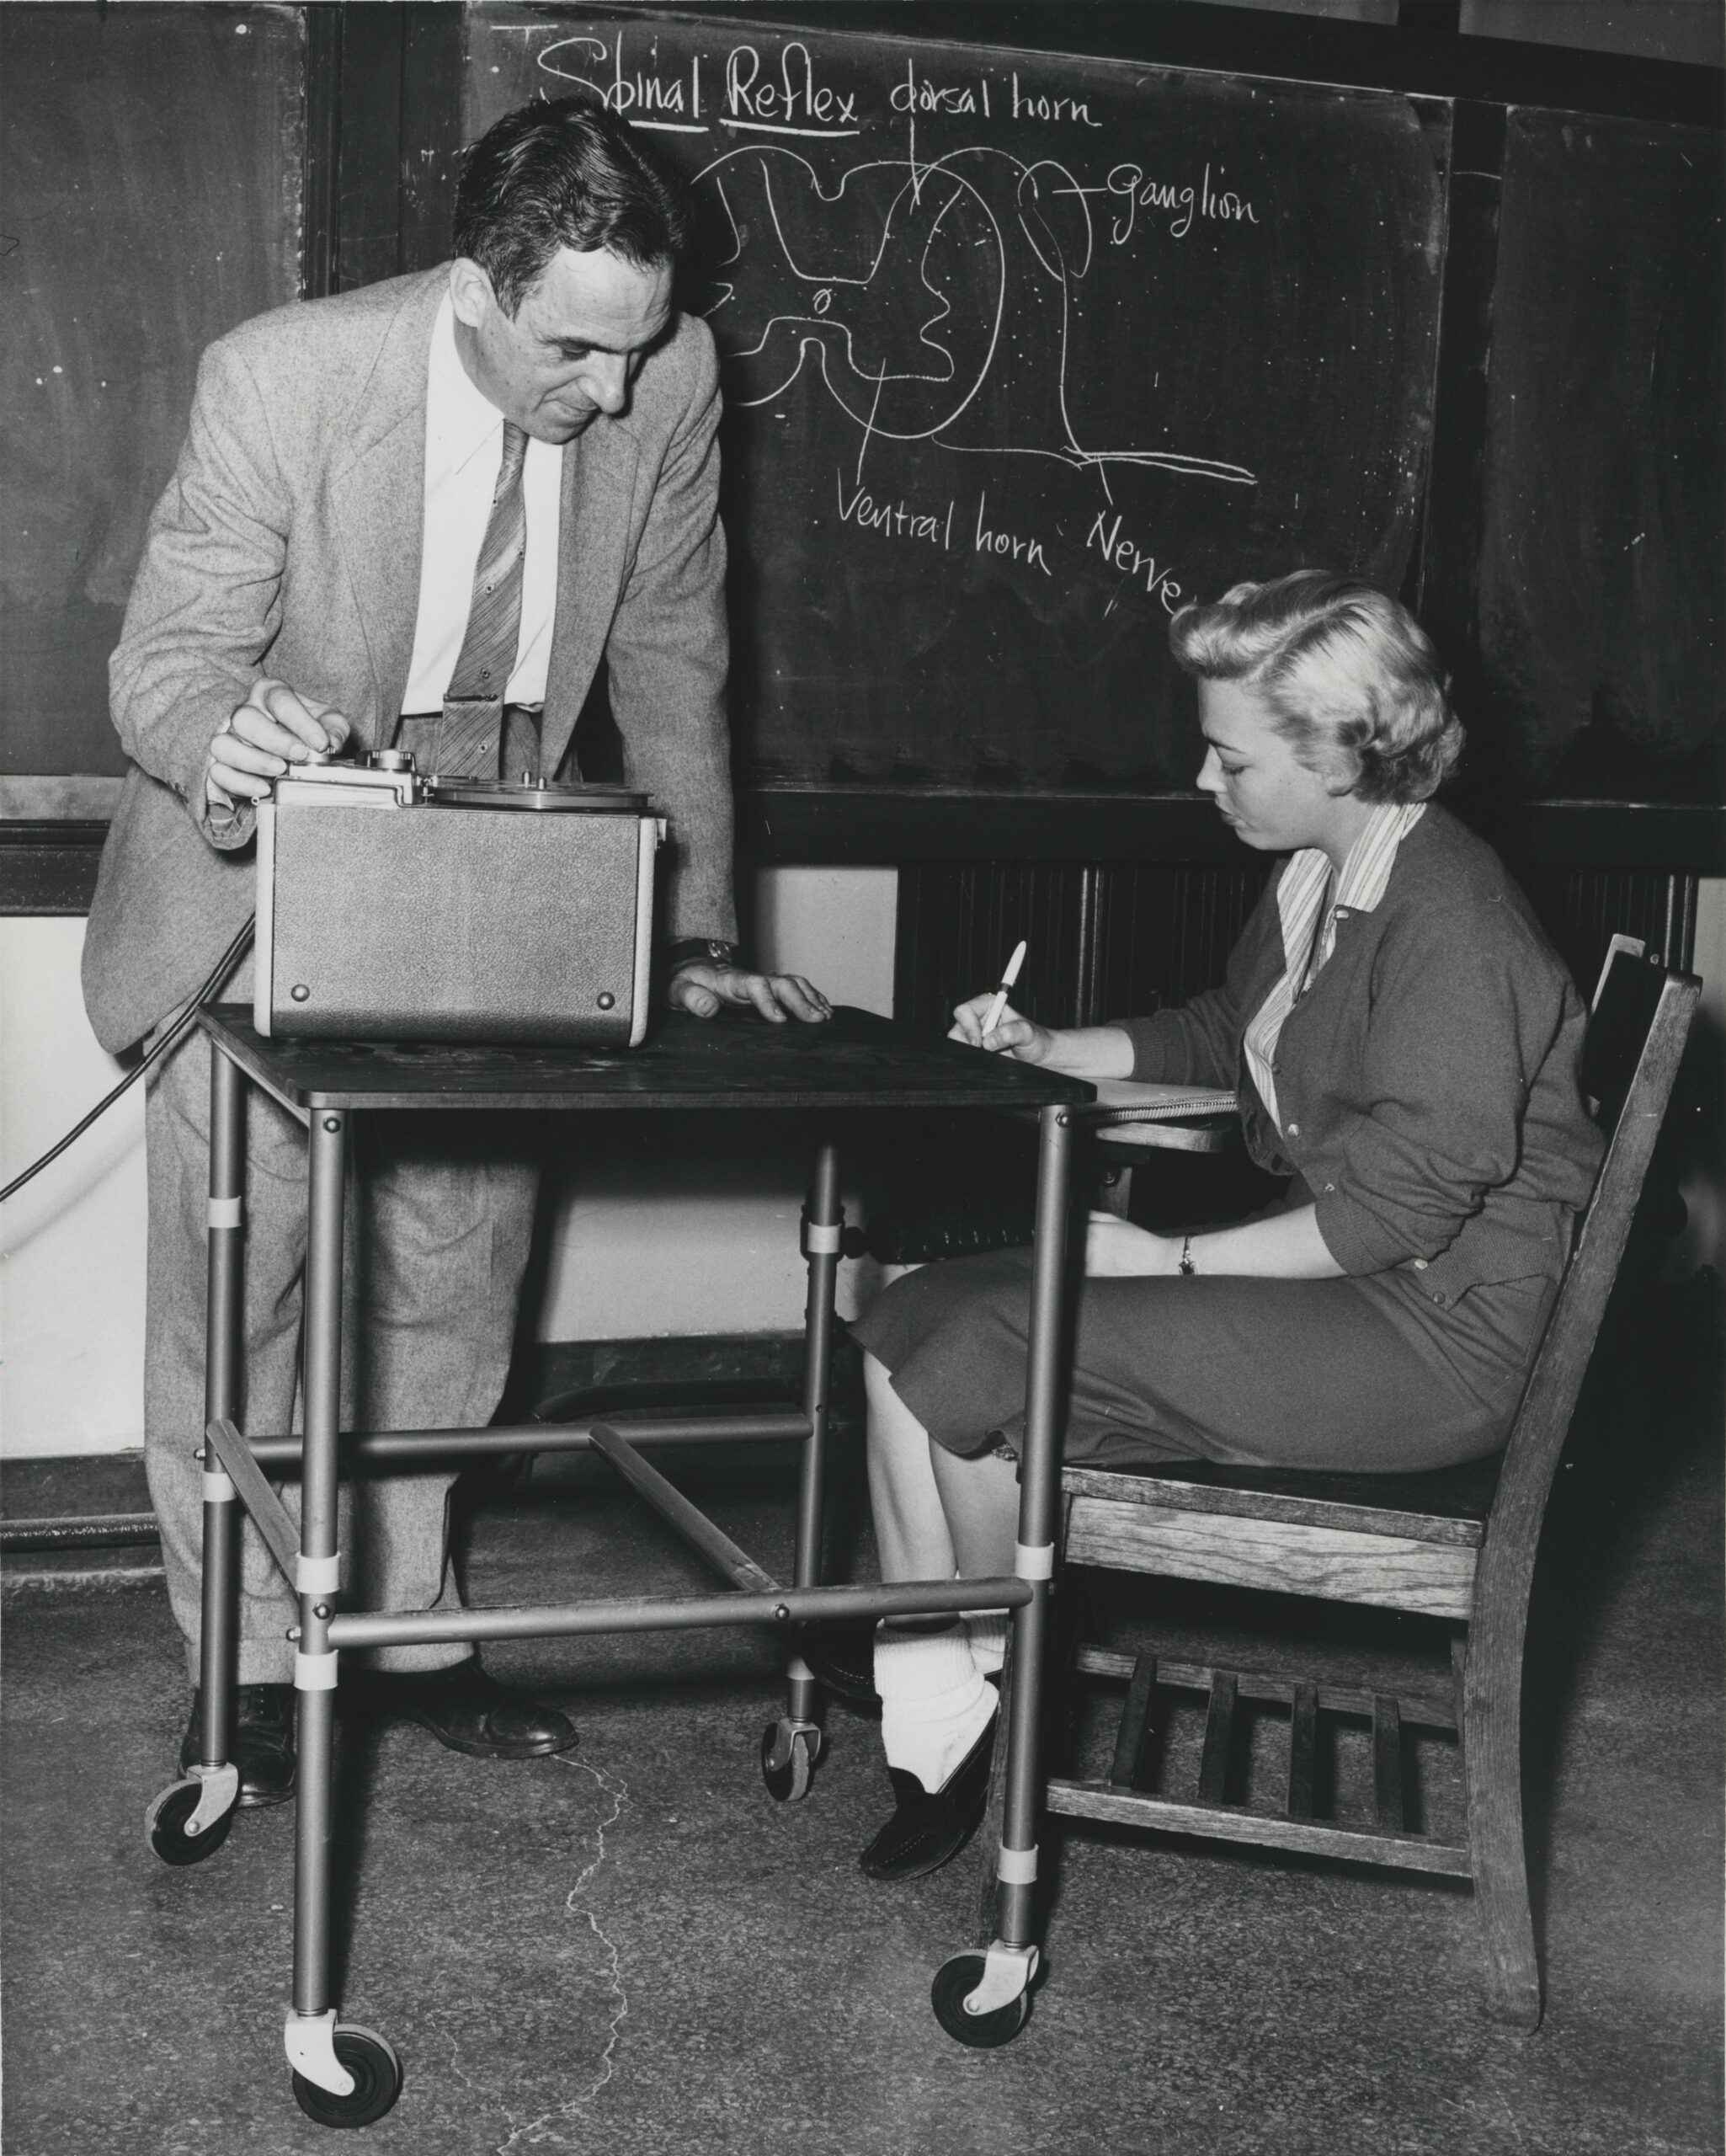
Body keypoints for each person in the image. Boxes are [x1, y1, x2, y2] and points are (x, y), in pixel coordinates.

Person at [82, 99, 828, 1807]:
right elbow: (164, 655)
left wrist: (697, 924)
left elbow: (668, 659)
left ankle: (410, 1627)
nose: (616, 392)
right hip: (260, 886)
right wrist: (224, 735)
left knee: (458, 1274)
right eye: (576, 348)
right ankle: (253, 1663)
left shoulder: (673, 369)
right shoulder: (284, 377)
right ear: (475, 290)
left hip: (503, 876)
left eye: (639, 348)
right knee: (238, 1298)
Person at [823, 571, 1604, 1882]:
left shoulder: (1453, 920)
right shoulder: (1328, 872)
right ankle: (942, 1683)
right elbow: (1220, 1034)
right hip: (1359, 1285)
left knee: (991, 1332)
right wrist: (1051, 1044)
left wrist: (1174, 1257)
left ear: (1344, 752)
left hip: (1433, 1341)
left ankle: (972, 1694)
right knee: (905, 1314)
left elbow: (1402, 1202)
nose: (1203, 777)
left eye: (1230, 755)